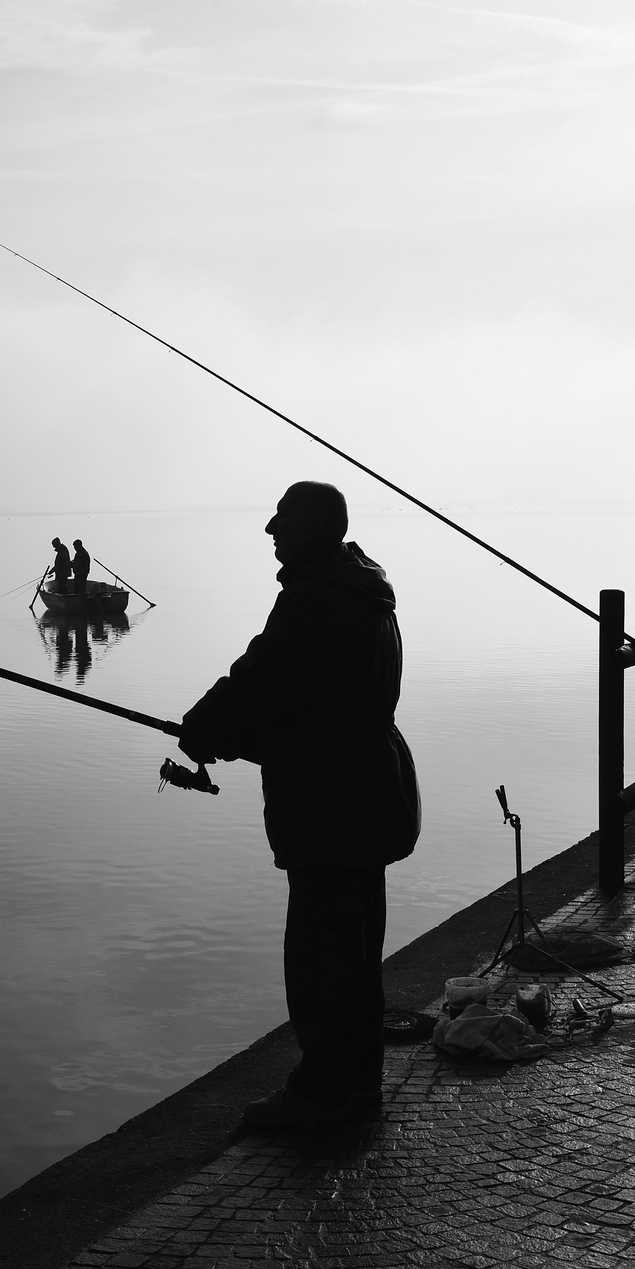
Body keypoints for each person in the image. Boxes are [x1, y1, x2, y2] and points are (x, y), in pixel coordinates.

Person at [178, 481, 420, 1129]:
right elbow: (314, 700)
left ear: (311, 526)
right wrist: (236, 736)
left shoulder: (315, 600)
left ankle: (321, 1097)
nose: (268, 527)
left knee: (321, 957)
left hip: (333, 803)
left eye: (281, 516)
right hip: (363, 790)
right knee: (354, 954)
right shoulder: (359, 591)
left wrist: (203, 727)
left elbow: (262, 679)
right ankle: (354, 1088)